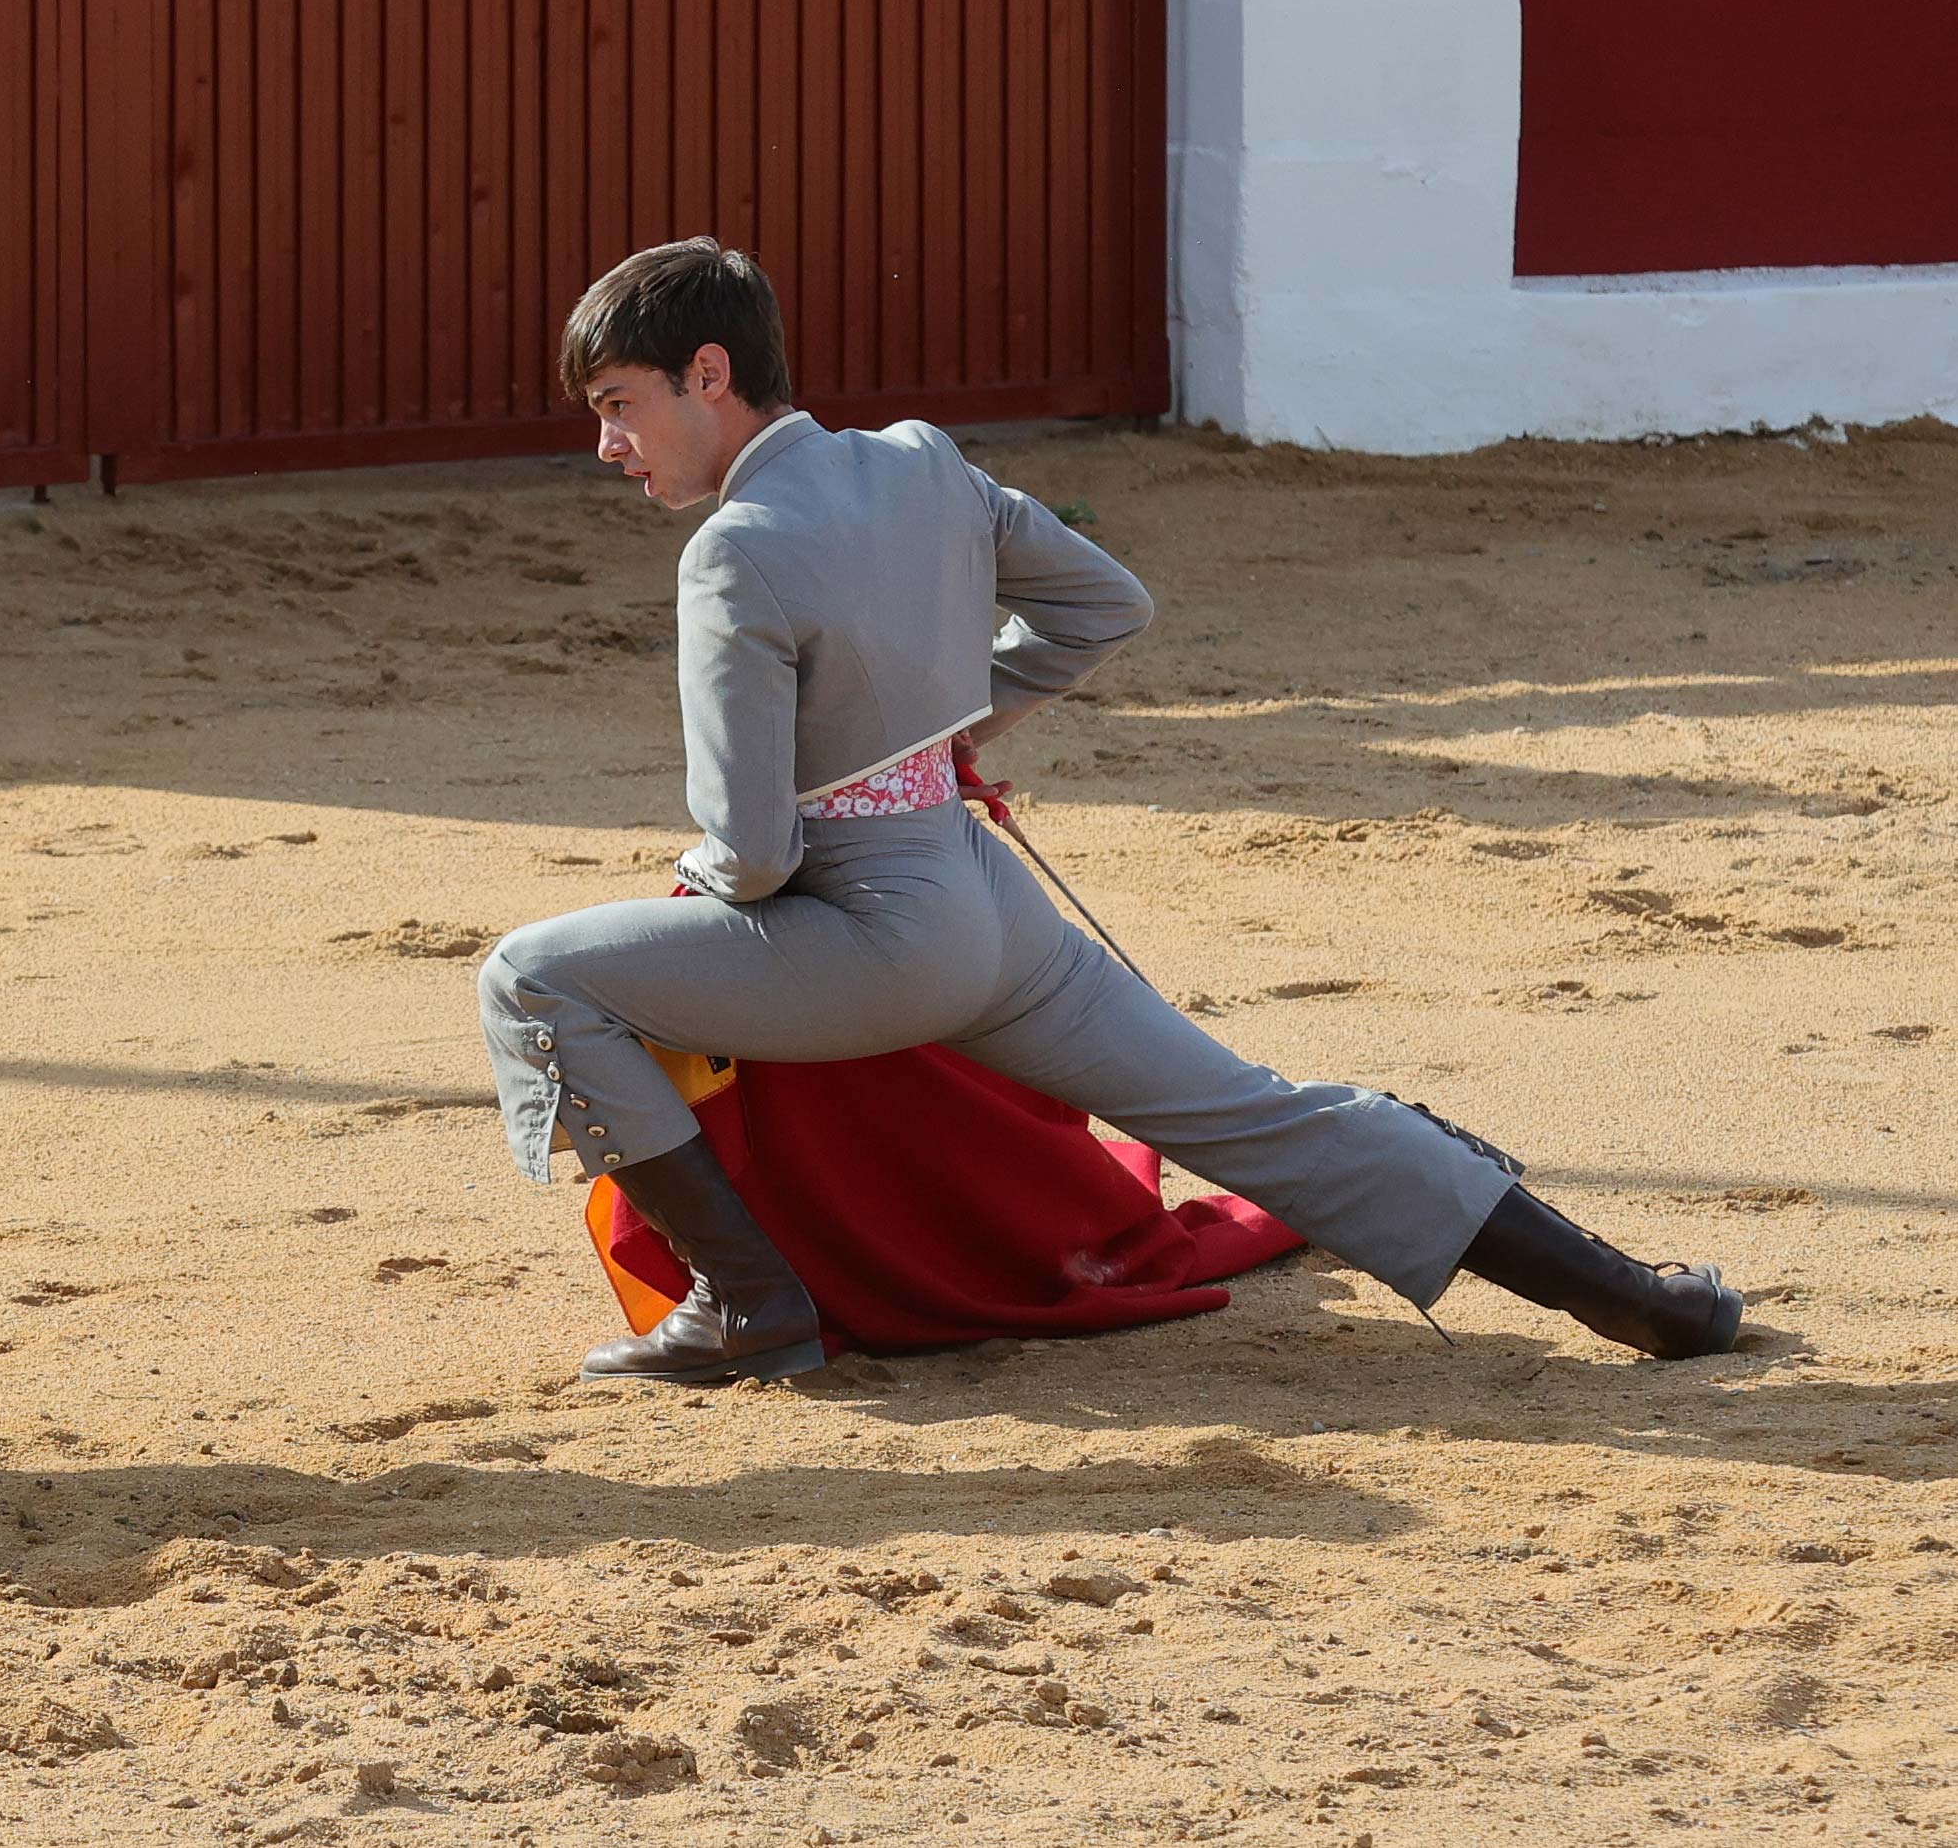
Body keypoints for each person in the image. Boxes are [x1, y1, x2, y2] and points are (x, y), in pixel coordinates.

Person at [478, 238, 1743, 1384]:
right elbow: (1103, 607)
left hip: (876, 937)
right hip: (991, 908)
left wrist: (750, 853)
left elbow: (753, 861)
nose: (607, 445)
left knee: (533, 979)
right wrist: (943, 734)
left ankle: (744, 1304)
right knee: (1252, 1111)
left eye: (616, 405)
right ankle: (1631, 1296)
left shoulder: (732, 546)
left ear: (709, 372)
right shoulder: (922, 459)